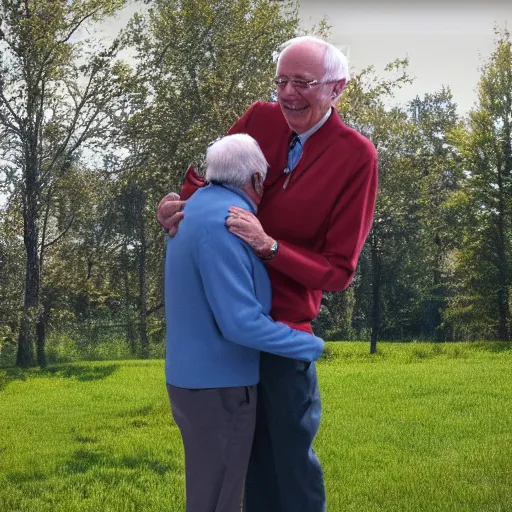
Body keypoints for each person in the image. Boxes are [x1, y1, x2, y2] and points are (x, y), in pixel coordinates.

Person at [158, 36, 378, 512]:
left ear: (337, 88)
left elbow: (338, 272)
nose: (288, 94)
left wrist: (270, 247)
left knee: (289, 467)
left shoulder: (357, 156)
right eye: (281, 81)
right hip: (221, 334)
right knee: (237, 467)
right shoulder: (258, 118)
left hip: (281, 330)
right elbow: (206, 182)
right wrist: (177, 206)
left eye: (303, 82)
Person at [165, 133, 324, 512]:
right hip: (220, 389)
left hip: (189, 381)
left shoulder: (192, 210)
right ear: (255, 180)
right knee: (218, 499)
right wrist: (310, 345)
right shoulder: (228, 223)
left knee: (207, 492)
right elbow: (240, 324)